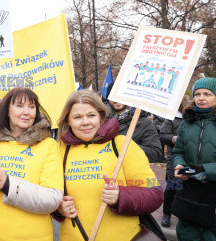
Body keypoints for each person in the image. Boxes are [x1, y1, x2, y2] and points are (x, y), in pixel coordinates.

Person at [55, 89, 163, 240]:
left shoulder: (122, 145)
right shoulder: (58, 150)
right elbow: (47, 194)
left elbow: (155, 194)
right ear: (68, 120)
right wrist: (58, 208)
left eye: (91, 115)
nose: (85, 122)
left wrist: (120, 196)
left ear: (101, 116)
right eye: (77, 117)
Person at [0, 87, 63, 241]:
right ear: (7, 111)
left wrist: (7, 183)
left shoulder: (48, 145)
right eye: (19, 106)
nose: (26, 112)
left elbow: (53, 199)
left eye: (31, 107)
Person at [172, 77, 216, 240]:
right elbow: (178, 151)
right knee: (188, 235)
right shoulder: (186, 123)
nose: (201, 98)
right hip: (190, 193)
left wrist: (204, 171)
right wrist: (179, 166)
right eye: (197, 94)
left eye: (207, 94)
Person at [105, 82, 162, 162]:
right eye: (114, 96)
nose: (117, 100)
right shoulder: (100, 122)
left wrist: (128, 147)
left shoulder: (143, 122)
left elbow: (155, 154)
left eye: (121, 95)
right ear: (108, 98)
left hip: (132, 172)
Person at [159, 94, 190, 227]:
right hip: (174, 159)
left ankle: (184, 216)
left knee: (187, 188)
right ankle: (167, 214)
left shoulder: (192, 118)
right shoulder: (171, 119)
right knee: (172, 187)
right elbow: (163, 136)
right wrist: (174, 138)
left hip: (191, 158)